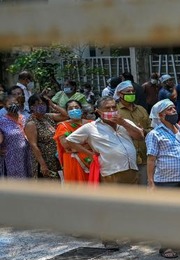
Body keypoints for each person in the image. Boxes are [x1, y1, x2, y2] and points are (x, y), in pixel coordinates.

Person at [66, 96, 145, 250]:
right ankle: (109, 238)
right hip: (111, 171)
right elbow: (70, 140)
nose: (111, 111)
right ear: (98, 111)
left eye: (113, 108)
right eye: (107, 108)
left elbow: (139, 136)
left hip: (131, 168)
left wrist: (122, 122)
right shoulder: (91, 127)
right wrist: (90, 154)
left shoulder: (123, 122)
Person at [145, 99, 180, 259]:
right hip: (165, 180)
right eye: (169, 109)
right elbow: (151, 159)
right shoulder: (155, 134)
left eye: (173, 108)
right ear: (161, 115)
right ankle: (166, 246)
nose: (174, 111)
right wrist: (151, 182)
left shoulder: (179, 130)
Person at [115, 81, 152, 185]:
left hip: (144, 156)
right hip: (125, 159)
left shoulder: (141, 110)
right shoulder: (116, 111)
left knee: (144, 188)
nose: (131, 93)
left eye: (132, 91)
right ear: (119, 94)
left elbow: (151, 128)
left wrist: (144, 131)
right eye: (127, 91)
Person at [25, 94, 64, 179]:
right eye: (38, 104)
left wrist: (52, 104)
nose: (42, 106)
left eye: (43, 104)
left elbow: (65, 115)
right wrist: (42, 165)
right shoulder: (31, 123)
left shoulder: (47, 117)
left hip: (54, 160)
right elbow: (33, 145)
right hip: (43, 161)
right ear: (32, 107)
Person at [53, 100, 92, 183]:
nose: (74, 110)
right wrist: (87, 144)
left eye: (76, 107)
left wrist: (75, 146)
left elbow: (96, 142)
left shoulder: (91, 124)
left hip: (91, 159)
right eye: (70, 108)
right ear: (67, 112)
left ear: (81, 110)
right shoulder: (63, 126)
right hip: (73, 161)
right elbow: (66, 146)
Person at [0, 93, 32, 178]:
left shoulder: (25, 118)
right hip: (11, 158)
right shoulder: (2, 121)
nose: (14, 105)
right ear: (4, 106)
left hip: (27, 156)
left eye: (15, 103)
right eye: (10, 104)